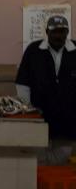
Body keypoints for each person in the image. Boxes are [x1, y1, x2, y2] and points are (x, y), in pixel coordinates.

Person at [17, 14, 76, 145]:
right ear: (47, 32)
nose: (58, 36)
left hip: (71, 119)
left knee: (68, 154)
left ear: (67, 32)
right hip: (41, 116)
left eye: (62, 32)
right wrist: (28, 109)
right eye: (54, 32)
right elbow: (22, 83)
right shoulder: (33, 50)